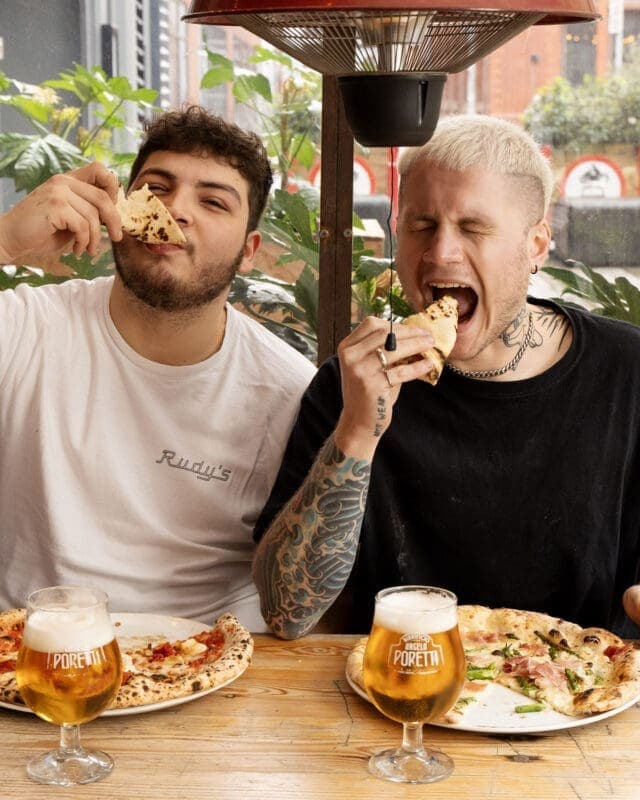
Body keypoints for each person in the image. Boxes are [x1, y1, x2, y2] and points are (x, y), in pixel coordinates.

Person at [252, 113, 640, 640]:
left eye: (473, 228)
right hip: (401, 693)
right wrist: (358, 431)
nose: (441, 253)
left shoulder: (626, 372)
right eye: (421, 226)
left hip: (578, 695)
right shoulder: (353, 383)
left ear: (536, 245)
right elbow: (286, 611)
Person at [0, 105, 315, 631]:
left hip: (210, 668)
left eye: (213, 201)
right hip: (34, 666)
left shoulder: (289, 390)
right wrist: (5, 241)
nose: (178, 210)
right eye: (157, 188)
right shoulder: (27, 329)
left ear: (248, 253)